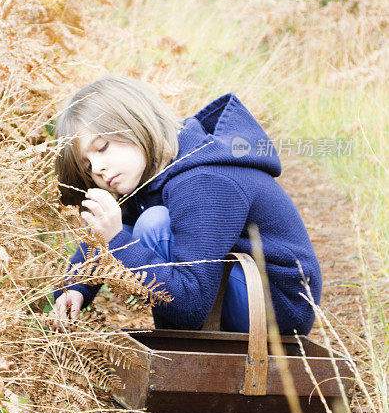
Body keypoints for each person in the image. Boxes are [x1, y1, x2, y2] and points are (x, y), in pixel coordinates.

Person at [52, 76, 322, 334]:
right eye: (87, 167)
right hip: (244, 288)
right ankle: (183, 352)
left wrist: (118, 242)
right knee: (135, 222)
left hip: (279, 307)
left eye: (102, 147)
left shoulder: (202, 181)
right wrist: (75, 287)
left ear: (136, 123)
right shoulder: (155, 174)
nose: (97, 168)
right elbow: (118, 226)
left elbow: (193, 304)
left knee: (152, 224)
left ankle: (182, 356)